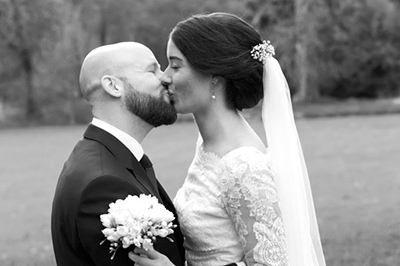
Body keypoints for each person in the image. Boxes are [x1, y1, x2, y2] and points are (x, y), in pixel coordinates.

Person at [129, 13, 326, 266]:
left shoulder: (243, 166)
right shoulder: (207, 144)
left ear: (214, 78)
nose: (165, 77)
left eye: (175, 66)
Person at [51, 42, 185, 266]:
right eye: (152, 70)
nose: (165, 78)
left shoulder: (104, 156)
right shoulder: (105, 185)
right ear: (113, 86)